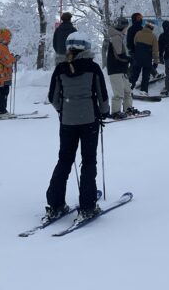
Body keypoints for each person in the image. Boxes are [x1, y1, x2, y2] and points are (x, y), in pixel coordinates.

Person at [45, 31, 109, 224]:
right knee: (88, 162)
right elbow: (103, 96)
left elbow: (53, 97)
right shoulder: (93, 68)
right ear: (87, 48)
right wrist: (102, 113)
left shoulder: (61, 69)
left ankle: (55, 204)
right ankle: (88, 206)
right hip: (89, 121)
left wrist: (63, 111)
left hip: (67, 123)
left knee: (64, 160)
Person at [107, 17, 142, 119]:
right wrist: (129, 59)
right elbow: (118, 55)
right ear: (123, 27)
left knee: (127, 91)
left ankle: (128, 109)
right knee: (119, 93)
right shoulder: (116, 37)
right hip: (115, 70)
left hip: (121, 69)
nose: (127, 29)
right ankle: (115, 112)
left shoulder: (118, 37)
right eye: (126, 26)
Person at [0, 28, 19, 118]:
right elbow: (7, 61)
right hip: (2, 76)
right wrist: (15, 59)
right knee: (4, 91)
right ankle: (1, 110)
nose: (9, 40)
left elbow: (3, 58)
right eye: (8, 37)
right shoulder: (2, 48)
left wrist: (11, 57)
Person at [132, 21, 160, 96]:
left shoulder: (138, 33)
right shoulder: (153, 36)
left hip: (137, 57)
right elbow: (155, 50)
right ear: (152, 28)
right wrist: (156, 61)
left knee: (134, 74)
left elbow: (134, 43)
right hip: (147, 59)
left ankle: (128, 89)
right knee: (145, 76)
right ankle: (143, 91)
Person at [126, 12, 143, 84]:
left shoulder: (142, 28)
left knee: (136, 65)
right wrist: (131, 49)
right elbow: (129, 40)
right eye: (138, 18)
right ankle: (130, 80)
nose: (140, 19)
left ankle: (130, 80)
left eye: (140, 18)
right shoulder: (131, 29)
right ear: (134, 19)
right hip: (135, 51)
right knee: (135, 66)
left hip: (141, 50)